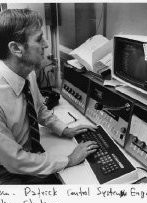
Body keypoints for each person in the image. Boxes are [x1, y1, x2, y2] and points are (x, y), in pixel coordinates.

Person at [0, 8, 98, 184]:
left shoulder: (26, 71)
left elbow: (38, 109)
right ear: (16, 48)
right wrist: (69, 160)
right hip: (8, 171)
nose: (46, 44)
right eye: (39, 39)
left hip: (29, 157)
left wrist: (64, 129)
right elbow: (15, 160)